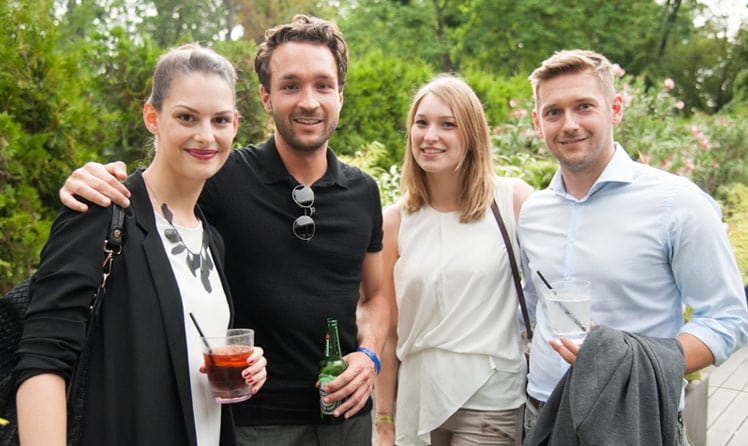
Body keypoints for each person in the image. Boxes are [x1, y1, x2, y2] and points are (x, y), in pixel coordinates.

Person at [57, 15, 388, 445]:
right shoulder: (222, 176)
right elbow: (156, 190)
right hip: (250, 424)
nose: (309, 101)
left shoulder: (364, 192)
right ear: (266, 97)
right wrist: (91, 180)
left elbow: (376, 296)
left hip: (346, 418)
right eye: (290, 86)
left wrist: (369, 354)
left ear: (340, 95)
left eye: (323, 85)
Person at [15, 44, 268, 445]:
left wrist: (250, 366)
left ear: (235, 125)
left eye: (220, 120)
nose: (206, 135)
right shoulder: (102, 212)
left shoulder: (212, 239)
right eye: (186, 117)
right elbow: (43, 359)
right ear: (153, 117)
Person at [517, 49, 748, 441]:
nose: (569, 124)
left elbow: (728, 319)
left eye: (584, 106)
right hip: (542, 412)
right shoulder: (534, 212)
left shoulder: (677, 203)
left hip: (633, 417)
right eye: (554, 112)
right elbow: (533, 304)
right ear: (539, 123)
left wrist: (622, 362)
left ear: (615, 109)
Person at [373, 74, 533, 446]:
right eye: (422, 123)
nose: (430, 136)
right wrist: (383, 419)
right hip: (417, 400)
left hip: (490, 399)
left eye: (448, 124)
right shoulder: (393, 222)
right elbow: (388, 332)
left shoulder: (512, 202)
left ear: (472, 134)